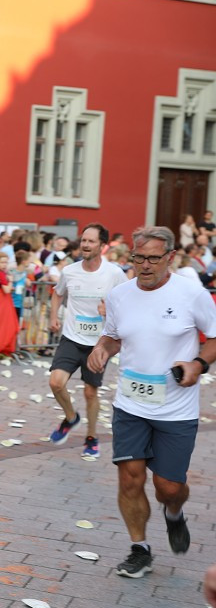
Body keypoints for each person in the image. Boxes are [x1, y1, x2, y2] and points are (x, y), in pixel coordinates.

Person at [87, 226, 216, 579]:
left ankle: (174, 513)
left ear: (169, 257)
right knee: (130, 479)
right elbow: (113, 336)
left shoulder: (192, 294)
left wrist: (198, 364)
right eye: (138, 257)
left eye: (153, 258)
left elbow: (215, 338)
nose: (144, 265)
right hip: (130, 403)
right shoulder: (120, 295)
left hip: (176, 408)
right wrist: (101, 349)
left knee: (168, 487)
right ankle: (139, 548)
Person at [47, 224, 129, 458]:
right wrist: (54, 316)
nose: (85, 245)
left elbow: (128, 300)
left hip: (99, 343)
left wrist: (109, 311)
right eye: (83, 240)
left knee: (91, 392)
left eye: (91, 241)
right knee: (55, 382)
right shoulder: (70, 271)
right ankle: (71, 417)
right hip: (72, 337)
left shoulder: (114, 273)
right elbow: (58, 293)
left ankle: (91, 437)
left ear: (102, 246)